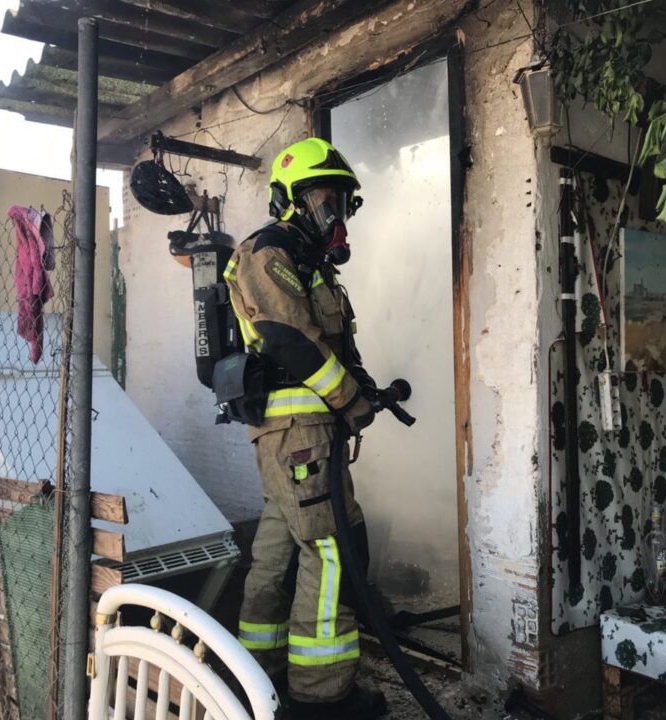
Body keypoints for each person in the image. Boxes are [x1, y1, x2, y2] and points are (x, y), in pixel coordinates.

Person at [224, 137, 387, 718]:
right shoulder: (268, 252)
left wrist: (361, 387)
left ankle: (256, 677)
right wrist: (350, 401)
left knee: (273, 551)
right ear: (290, 199)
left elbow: (331, 342)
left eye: (342, 203)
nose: (335, 215)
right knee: (329, 550)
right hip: (301, 432)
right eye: (324, 200)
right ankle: (321, 698)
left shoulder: (311, 265)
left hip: (298, 434)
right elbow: (290, 340)